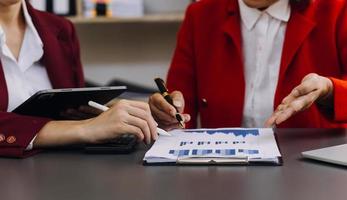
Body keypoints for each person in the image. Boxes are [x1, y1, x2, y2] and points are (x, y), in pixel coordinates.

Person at [149, 0, 347, 129]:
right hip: (223, 173)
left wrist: (330, 90)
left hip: (312, 173)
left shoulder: (337, 9)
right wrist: (167, 117)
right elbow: (178, 107)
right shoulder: (200, 15)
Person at [0, 0, 157, 158]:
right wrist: (85, 128)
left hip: (62, 167)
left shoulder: (61, 29)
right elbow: (84, 126)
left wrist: (144, 114)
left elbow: (73, 108)